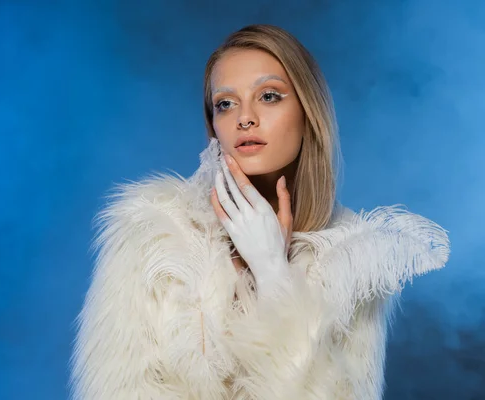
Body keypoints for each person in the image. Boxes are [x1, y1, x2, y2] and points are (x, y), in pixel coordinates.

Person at [69, 24, 450, 399]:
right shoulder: (153, 232)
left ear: (308, 113)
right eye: (225, 103)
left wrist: (273, 274)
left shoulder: (352, 262)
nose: (244, 118)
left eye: (269, 96)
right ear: (213, 124)